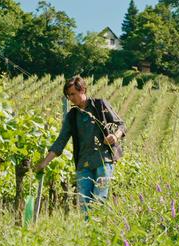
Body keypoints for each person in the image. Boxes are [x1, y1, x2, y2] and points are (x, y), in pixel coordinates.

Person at [35, 75, 126, 214]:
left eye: (73, 94)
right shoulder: (72, 116)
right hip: (83, 164)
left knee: (98, 201)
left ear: (82, 90)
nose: (70, 98)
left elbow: (121, 125)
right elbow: (61, 141)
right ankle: (89, 233)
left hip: (103, 161)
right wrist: (45, 162)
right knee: (84, 205)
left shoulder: (100, 105)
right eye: (68, 95)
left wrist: (115, 136)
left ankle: (96, 231)